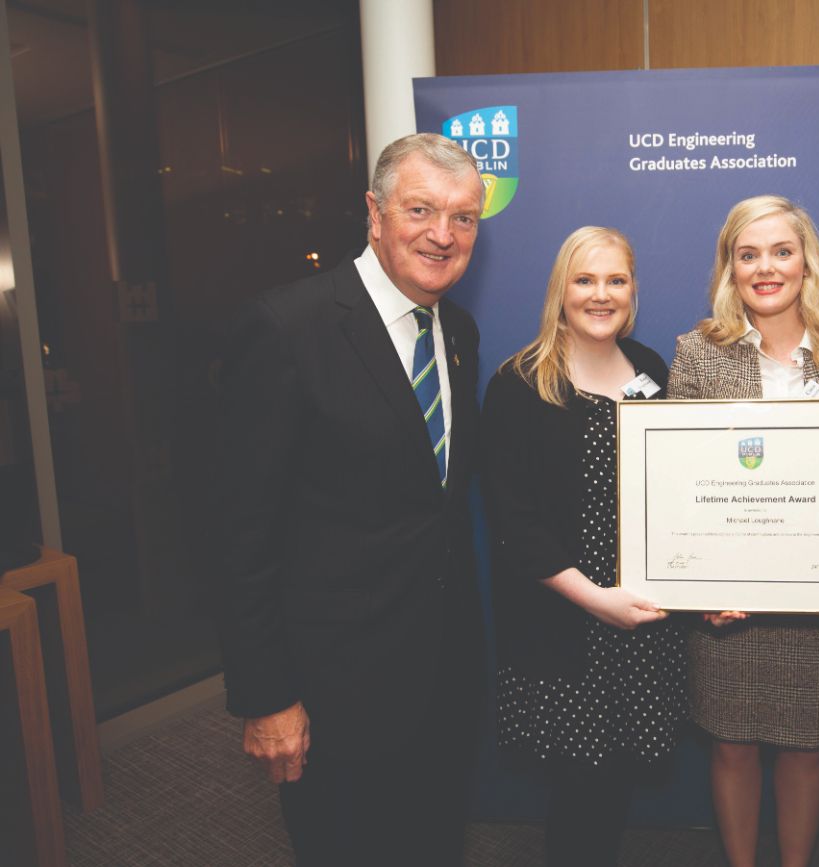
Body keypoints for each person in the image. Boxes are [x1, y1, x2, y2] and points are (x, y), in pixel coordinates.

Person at [215, 133, 487, 866]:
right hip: (334, 693)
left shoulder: (458, 332)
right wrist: (267, 695)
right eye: (421, 210)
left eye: (463, 218)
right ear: (374, 212)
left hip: (441, 677)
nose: (442, 234)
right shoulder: (285, 328)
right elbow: (240, 535)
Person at [667, 195, 819, 867]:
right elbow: (678, 484)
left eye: (782, 251)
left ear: (807, 261)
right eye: (748, 255)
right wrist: (699, 586)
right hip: (727, 598)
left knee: (807, 746)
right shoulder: (697, 353)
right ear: (730, 268)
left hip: (818, 595)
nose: (766, 268)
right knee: (732, 744)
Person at [481, 226, 686, 866]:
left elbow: (679, 487)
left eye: (616, 280)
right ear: (560, 291)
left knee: (616, 780)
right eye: (585, 280)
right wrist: (596, 601)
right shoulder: (519, 384)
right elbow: (513, 523)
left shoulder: (652, 370)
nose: (601, 295)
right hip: (564, 624)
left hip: (640, 621)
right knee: (578, 788)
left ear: (633, 290)